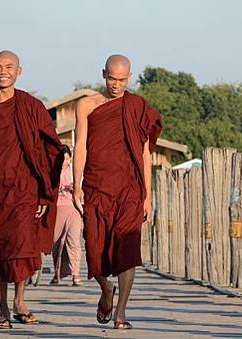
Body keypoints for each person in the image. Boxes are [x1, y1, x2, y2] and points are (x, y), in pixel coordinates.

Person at [0, 50, 63, 329]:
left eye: (9, 67)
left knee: (20, 244)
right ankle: (3, 310)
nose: (3, 71)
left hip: (23, 187)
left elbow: (49, 148)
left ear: (20, 71)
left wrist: (44, 191)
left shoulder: (31, 106)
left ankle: (19, 300)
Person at [73, 54, 162, 330]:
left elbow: (144, 154)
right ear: (103, 74)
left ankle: (121, 311)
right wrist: (77, 184)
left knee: (127, 249)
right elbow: (81, 147)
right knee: (94, 249)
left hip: (129, 189)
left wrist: (147, 195)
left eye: (122, 80)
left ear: (129, 77)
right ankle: (105, 290)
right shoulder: (87, 105)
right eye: (112, 78)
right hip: (97, 186)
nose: (117, 85)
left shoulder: (137, 107)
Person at [50, 145, 84, 286]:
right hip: (57, 209)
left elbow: (82, 191)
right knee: (56, 243)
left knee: (73, 241)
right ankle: (57, 273)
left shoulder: (74, 172)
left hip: (73, 209)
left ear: (70, 159)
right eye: (61, 159)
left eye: (66, 159)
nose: (64, 162)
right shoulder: (53, 173)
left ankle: (75, 274)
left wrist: (75, 187)